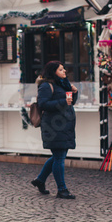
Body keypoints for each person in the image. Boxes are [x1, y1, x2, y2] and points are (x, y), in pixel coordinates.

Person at [31, 61, 78, 199]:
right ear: (53, 71)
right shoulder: (46, 85)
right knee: (59, 157)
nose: (64, 71)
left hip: (65, 125)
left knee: (58, 156)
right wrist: (64, 101)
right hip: (54, 126)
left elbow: (70, 102)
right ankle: (62, 189)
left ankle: (40, 180)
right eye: (61, 69)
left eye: (64, 69)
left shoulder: (63, 84)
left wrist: (74, 93)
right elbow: (43, 104)